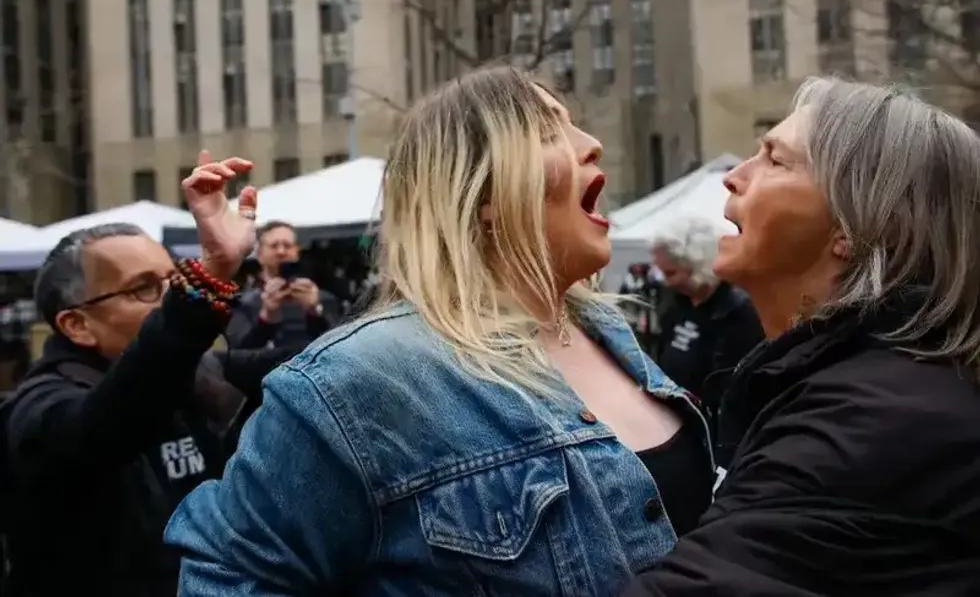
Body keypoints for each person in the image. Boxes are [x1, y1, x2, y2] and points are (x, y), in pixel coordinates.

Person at [165, 66, 715, 595]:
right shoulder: (362, 378)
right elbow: (229, 575)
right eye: (549, 132)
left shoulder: (607, 330)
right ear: (482, 194)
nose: (591, 144)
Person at [623, 77, 980, 596]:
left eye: (774, 159)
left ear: (855, 228)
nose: (734, 177)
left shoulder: (873, 419)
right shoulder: (870, 382)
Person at [0, 153, 264, 596]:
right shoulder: (39, 413)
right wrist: (207, 279)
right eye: (145, 288)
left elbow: (308, 362)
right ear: (77, 325)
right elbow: (116, 416)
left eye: (173, 280)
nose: (169, 297)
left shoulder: (202, 375)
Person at [650, 216, 764, 467]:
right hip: (676, 427)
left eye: (672, 273)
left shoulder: (738, 311)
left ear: (698, 266)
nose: (666, 281)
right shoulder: (676, 304)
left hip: (714, 438)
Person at [225, 220, 339, 349]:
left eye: (287, 245)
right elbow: (237, 352)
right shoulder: (242, 304)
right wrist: (266, 319)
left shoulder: (324, 299)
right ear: (260, 254)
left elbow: (338, 346)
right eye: (274, 246)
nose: (281, 251)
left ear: (297, 251)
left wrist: (315, 312)